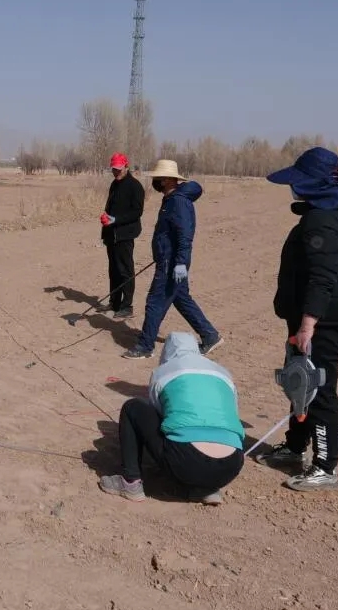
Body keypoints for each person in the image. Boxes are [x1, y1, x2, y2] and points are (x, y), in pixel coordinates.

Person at [255, 148, 338, 491]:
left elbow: (322, 277)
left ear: (313, 184)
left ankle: (324, 465)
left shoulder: (323, 220)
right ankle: (294, 445)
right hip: (314, 317)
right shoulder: (325, 213)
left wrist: (307, 325)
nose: (293, 188)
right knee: (300, 381)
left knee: (320, 390)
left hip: (323, 322)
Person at [99, 332, 245, 505]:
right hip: (231, 466)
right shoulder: (223, 373)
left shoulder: (163, 372)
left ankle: (131, 482)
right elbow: (232, 412)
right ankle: (206, 488)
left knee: (133, 407)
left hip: (187, 459)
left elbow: (159, 414)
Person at [123, 159, 223, 359]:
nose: (156, 181)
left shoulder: (178, 202)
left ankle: (145, 346)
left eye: (159, 178)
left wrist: (179, 263)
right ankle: (210, 335)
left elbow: (185, 236)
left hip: (172, 263)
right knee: (181, 298)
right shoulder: (171, 199)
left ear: (168, 180)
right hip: (168, 259)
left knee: (154, 301)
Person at [100, 152, 145, 319]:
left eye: (119, 169)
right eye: (114, 169)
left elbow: (137, 212)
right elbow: (110, 207)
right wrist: (106, 219)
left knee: (125, 270)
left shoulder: (135, 186)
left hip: (125, 235)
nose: (116, 172)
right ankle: (114, 302)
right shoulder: (114, 184)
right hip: (112, 234)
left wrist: (116, 220)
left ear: (126, 166)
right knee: (113, 270)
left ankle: (127, 306)